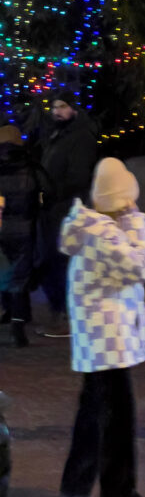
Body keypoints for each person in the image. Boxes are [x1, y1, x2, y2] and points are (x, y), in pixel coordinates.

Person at [59, 157, 145, 497]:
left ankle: (76, 485)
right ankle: (118, 495)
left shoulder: (89, 229)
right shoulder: (104, 234)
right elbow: (143, 266)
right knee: (117, 420)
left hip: (97, 340)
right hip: (107, 341)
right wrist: (136, 220)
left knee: (93, 412)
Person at [37, 91, 99, 338]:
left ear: (73, 108)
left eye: (62, 106)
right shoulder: (56, 135)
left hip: (69, 209)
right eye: (54, 107)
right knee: (49, 261)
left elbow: (78, 177)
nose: (57, 112)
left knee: (63, 261)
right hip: (53, 208)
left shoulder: (81, 137)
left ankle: (67, 314)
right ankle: (59, 310)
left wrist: (52, 193)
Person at [0, 125, 40, 347]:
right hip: (24, 228)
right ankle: (18, 327)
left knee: (3, 272)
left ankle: (7, 311)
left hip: (1, 227)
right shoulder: (28, 167)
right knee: (20, 277)